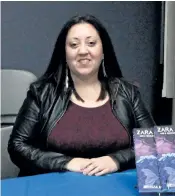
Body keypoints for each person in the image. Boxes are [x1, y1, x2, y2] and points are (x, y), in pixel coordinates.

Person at [8, 14, 155, 177]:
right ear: (64, 53)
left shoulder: (128, 93)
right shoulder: (42, 94)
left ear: (103, 49)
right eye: (73, 44)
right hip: (55, 189)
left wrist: (116, 160)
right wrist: (66, 162)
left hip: (115, 188)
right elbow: (17, 146)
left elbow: (153, 143)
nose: (83, 51)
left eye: (91, 43)